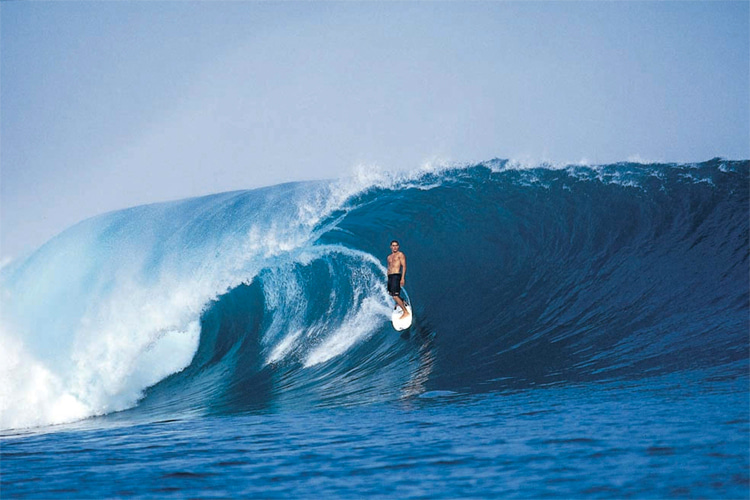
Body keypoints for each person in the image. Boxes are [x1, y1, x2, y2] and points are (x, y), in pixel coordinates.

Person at [387, 240, 410, 320]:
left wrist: (402, 278)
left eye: (396, 245)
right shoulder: (389, 257)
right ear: (391, 247)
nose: (395, 247)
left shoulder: (400, 254)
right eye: (393, 245)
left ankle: (405, 312)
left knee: (395, 295)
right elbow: (389, 267)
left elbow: (404, 266)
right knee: (392, 294)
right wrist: (388, 277)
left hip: (396, 276)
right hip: (390, 277)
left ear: (398, 246)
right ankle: (402, 301)